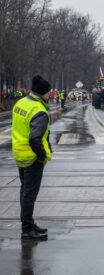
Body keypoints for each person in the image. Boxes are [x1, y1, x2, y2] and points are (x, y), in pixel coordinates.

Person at [11, 75, 52, 240]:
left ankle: (28, 223)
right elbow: (35, 138)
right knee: (29, 194)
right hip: (32, 157)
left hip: (19, 153)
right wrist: (42, 156)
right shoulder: (39, 110)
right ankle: (27, 229)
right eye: (49, 92)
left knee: (24, 191)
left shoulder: (21, 103)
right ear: (44, 93)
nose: (50, 94)